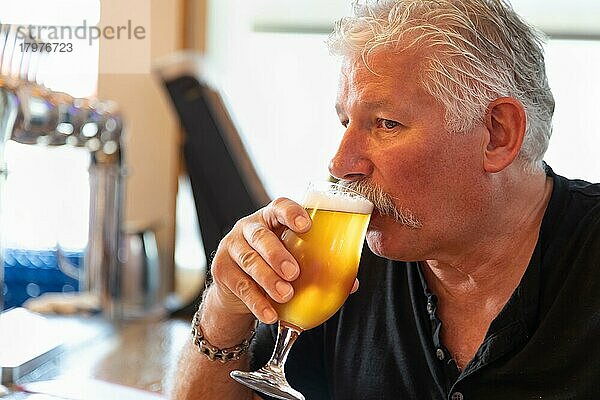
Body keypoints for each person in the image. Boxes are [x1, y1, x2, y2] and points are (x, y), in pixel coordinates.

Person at [172, 0, 600, 399]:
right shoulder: (340, 259)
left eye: (385, 124)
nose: (340, 163)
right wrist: (224, 311)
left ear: (498, 134)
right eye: (345, 122)